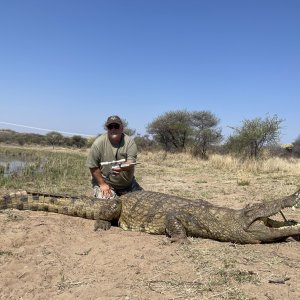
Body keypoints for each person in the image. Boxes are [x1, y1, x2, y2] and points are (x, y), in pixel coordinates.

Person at [86, 115, 142, 199]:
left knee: (143, 202)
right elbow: (93, 166)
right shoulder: (98, 143)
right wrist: (102, 184)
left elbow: (131, 162)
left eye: (116, 126)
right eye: (110, 127)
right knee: (110, 205)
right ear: (107, 128)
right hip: (106, 184)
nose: (113, 129)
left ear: (122, 128)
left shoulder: (130, 142)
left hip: (128, 185)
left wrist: (122, 167)